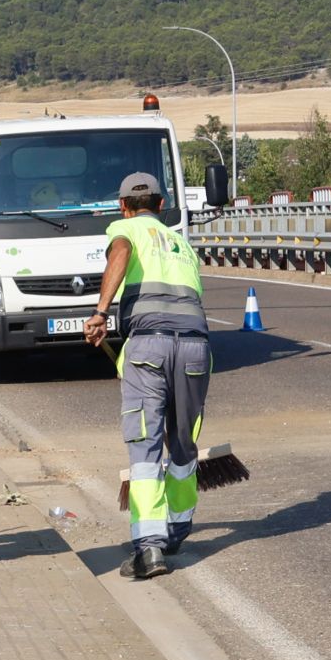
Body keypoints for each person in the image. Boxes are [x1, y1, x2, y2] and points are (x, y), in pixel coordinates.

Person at [84, 171, 211, 580]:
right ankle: (177, 527)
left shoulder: (124, 230)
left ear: (124, 206)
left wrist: (101, 311)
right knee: (183, 440)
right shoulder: (180, 242)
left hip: (149, 345)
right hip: (195, 345)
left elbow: (119, 253)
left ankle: (149, 548)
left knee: (144, 446)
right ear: (161, 205)